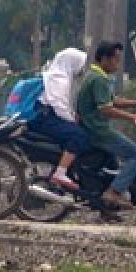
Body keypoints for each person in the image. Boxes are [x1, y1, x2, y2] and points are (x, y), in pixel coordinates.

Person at [76, 41, 136, 211]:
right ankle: (114, 192)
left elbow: (112, 100)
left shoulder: (95, 75)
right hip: (99, 132)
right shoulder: (99, 79)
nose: (118, 63)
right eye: (115, 59)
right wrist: (133, 117)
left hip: (92, 129)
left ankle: (105, 208)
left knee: (113, 165)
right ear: (105, 59)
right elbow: (106, 109)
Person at [29, 48, 90, 191]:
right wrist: (72, 120)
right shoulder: (59, 78)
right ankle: (60, 173)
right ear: (72, 63)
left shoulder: (58, 75)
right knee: (79, 135)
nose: (81, 70)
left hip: (45, 115)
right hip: (45, 117)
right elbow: (59, 105)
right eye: (81, 65)